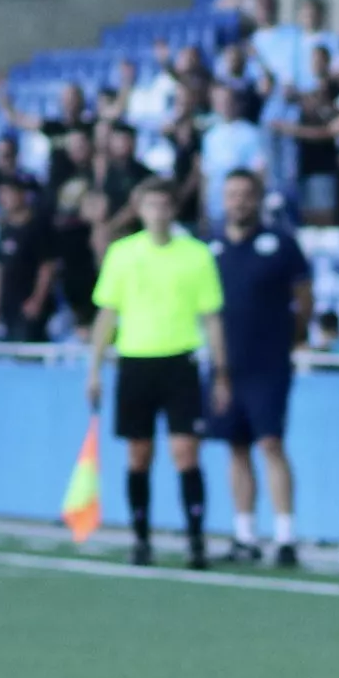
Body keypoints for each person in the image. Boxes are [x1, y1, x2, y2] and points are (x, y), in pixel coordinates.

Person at [86, 178, 229, 569]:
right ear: (139, 209)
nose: (158, 213)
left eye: (164, 205)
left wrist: (220, 369)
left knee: (185, 451)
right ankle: (141, 538)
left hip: (180, 360)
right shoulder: (122, 253)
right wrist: (94, 369)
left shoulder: (196, 255)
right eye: (150, 205)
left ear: (173, 209)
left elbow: (211, 316)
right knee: (138, 453)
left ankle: (196, 539)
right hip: (135, 360)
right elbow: (107, 313)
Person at [206, 171, 311, 567]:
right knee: (235, 446)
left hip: (268, 362)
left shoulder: (281, 245)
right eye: (231, 194)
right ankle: (244, 533)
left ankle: (285, 536)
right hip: (224, 364)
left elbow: (304, 298)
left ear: (258, 198)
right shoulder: (210, 246)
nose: (238, 202)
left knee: (270, 443)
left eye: (246, 195)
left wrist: (291, 336)